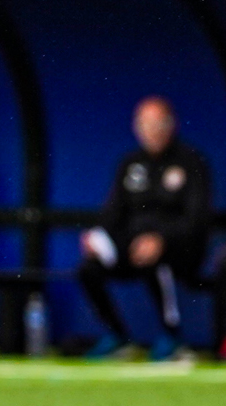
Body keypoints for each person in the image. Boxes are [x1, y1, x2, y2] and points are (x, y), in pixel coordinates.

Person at [80, 96, 212, 361]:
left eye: (158, 123)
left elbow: (196, 219)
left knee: (155, 258)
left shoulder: (190, 162)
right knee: (88, 269)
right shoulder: (130, 163)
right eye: (145, 123)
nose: (152, 130)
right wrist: (96, 236)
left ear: (171, 125)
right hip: (132, 248)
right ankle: (118, 337)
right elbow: (113, 211)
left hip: (180, 250)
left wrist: (162, 239)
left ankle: (172, 338)